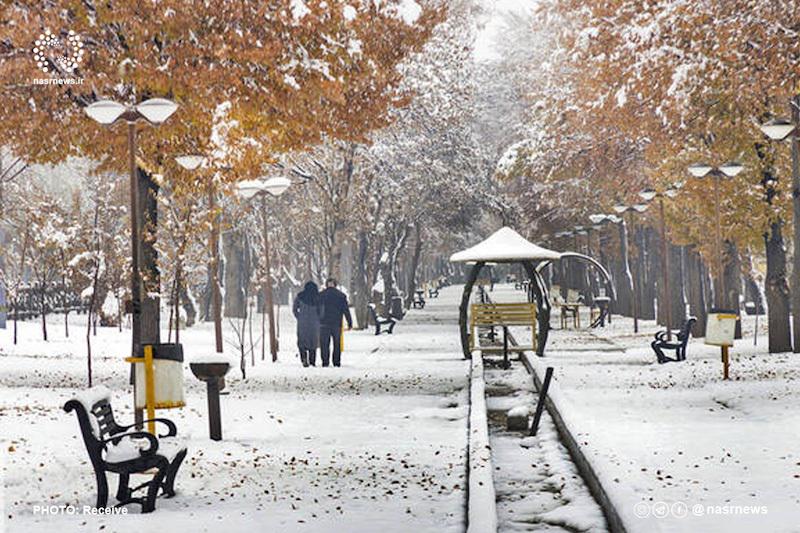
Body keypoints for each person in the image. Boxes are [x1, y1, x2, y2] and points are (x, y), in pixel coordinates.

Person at [319, 278, 353, 367]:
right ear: (335, 284)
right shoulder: (341, 296)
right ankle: (336, 362)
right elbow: (346, 310)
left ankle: (325, 361)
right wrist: (349, 322)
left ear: (327, 284)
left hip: (323, 323)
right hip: (336, 323)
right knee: (336, 344)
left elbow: (317, 310)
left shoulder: (321, 295)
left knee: (324, 344)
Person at [293, 281, 322, 367]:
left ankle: (304, 358)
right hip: (314, 323)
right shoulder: (318, 297)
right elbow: (322, 310)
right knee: (313, 341)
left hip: (302, 322)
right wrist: (318, 318)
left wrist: (299, 316)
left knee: (302, 340)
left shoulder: (300, 296)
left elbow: (294, 308)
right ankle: (312, 361)